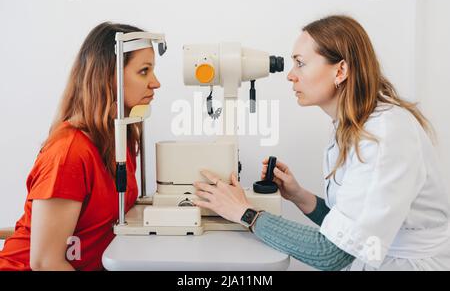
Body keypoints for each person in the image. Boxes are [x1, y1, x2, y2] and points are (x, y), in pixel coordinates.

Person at [194, 15, 450, 271]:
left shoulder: (383, 135)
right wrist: (301, 196)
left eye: (300, 64)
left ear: (340, 71)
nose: (290, 76)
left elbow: (331, 253)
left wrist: (244, 213)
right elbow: (348, 229)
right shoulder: (350, 124)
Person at [0, 22, 161, 271]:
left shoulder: (119, 137)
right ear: (110, 76)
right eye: (144, 71)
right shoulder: (69, 154)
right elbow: (45, 263)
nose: (155, 83)